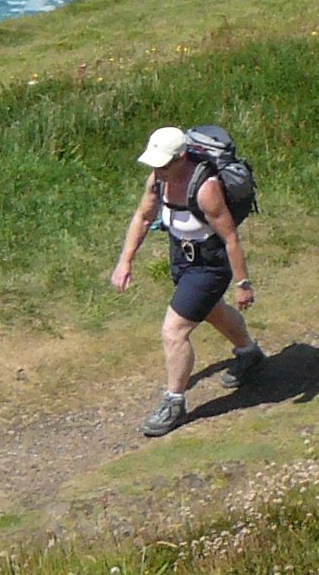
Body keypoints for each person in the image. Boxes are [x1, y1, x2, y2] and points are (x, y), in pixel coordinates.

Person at [110, 127, 265, 436]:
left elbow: (230, 238)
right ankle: (250, 354)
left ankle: (174, 402)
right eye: (155, 164)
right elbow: (142, 217)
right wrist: (125, 261)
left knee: (174, 332)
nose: (158, 170)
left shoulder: (206, 188)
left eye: (164, 164)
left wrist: (242, 283)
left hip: (209, 265)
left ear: (182, 157)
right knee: (212, 311)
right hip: (181, 258)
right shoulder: (158, 180)